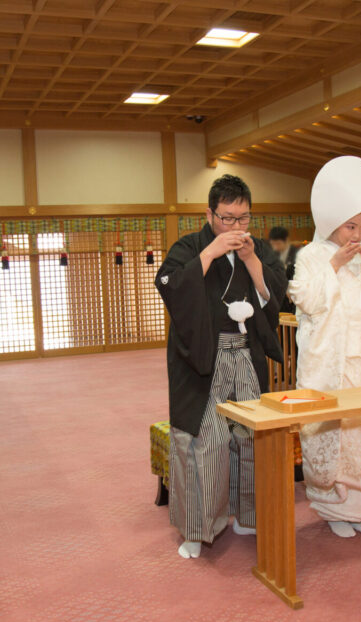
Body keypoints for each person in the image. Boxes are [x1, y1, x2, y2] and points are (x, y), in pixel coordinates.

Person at [155, 175, 287, 559]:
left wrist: (250, 259)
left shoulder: (257, 248)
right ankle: (197, 529)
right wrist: (210, 252)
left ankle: (249, 514)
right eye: (227, 218)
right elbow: (170, 285)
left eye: (243, 218)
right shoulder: (189, 246)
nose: (236, 227)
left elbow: (275, 295)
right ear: (209, 213)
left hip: (246, 354)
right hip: (203, 358)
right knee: (204, 439)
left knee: (251, 436)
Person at [288, 156, 361, 538]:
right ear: (332, 221)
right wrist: (335, 263)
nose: (357, 234)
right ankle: (332, 510)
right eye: (350, 226)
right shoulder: (311, 255)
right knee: (333, 436)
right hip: (330, 365)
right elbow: (305, 299)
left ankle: (360, 509)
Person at [268, 226, 300, 314]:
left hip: (291, 294)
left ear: (286, 240)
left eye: (277, 243)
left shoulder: (297, 253)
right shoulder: (272, 254)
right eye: (273, 244)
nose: (275, 247)